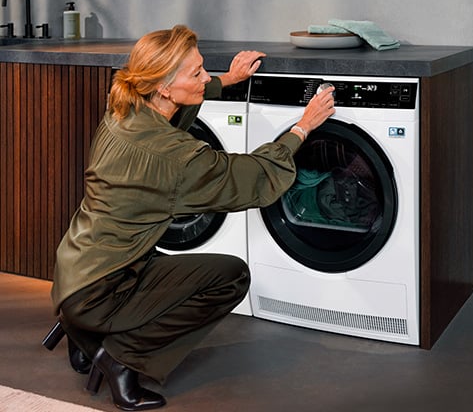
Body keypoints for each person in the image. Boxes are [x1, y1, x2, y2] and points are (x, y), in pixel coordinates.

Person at [46, 25, 335, 411]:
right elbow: (251, 178)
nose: (205, 77)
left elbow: (177, 108)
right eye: (196, 73)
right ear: (164, 87)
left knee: (166, 266)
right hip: (102, 288)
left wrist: (228, 80)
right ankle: (120, 357)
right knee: (230, 276)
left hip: (76, 267)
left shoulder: (126, 108)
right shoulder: (174, 156)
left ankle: (79, 330)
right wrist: (303, 127)